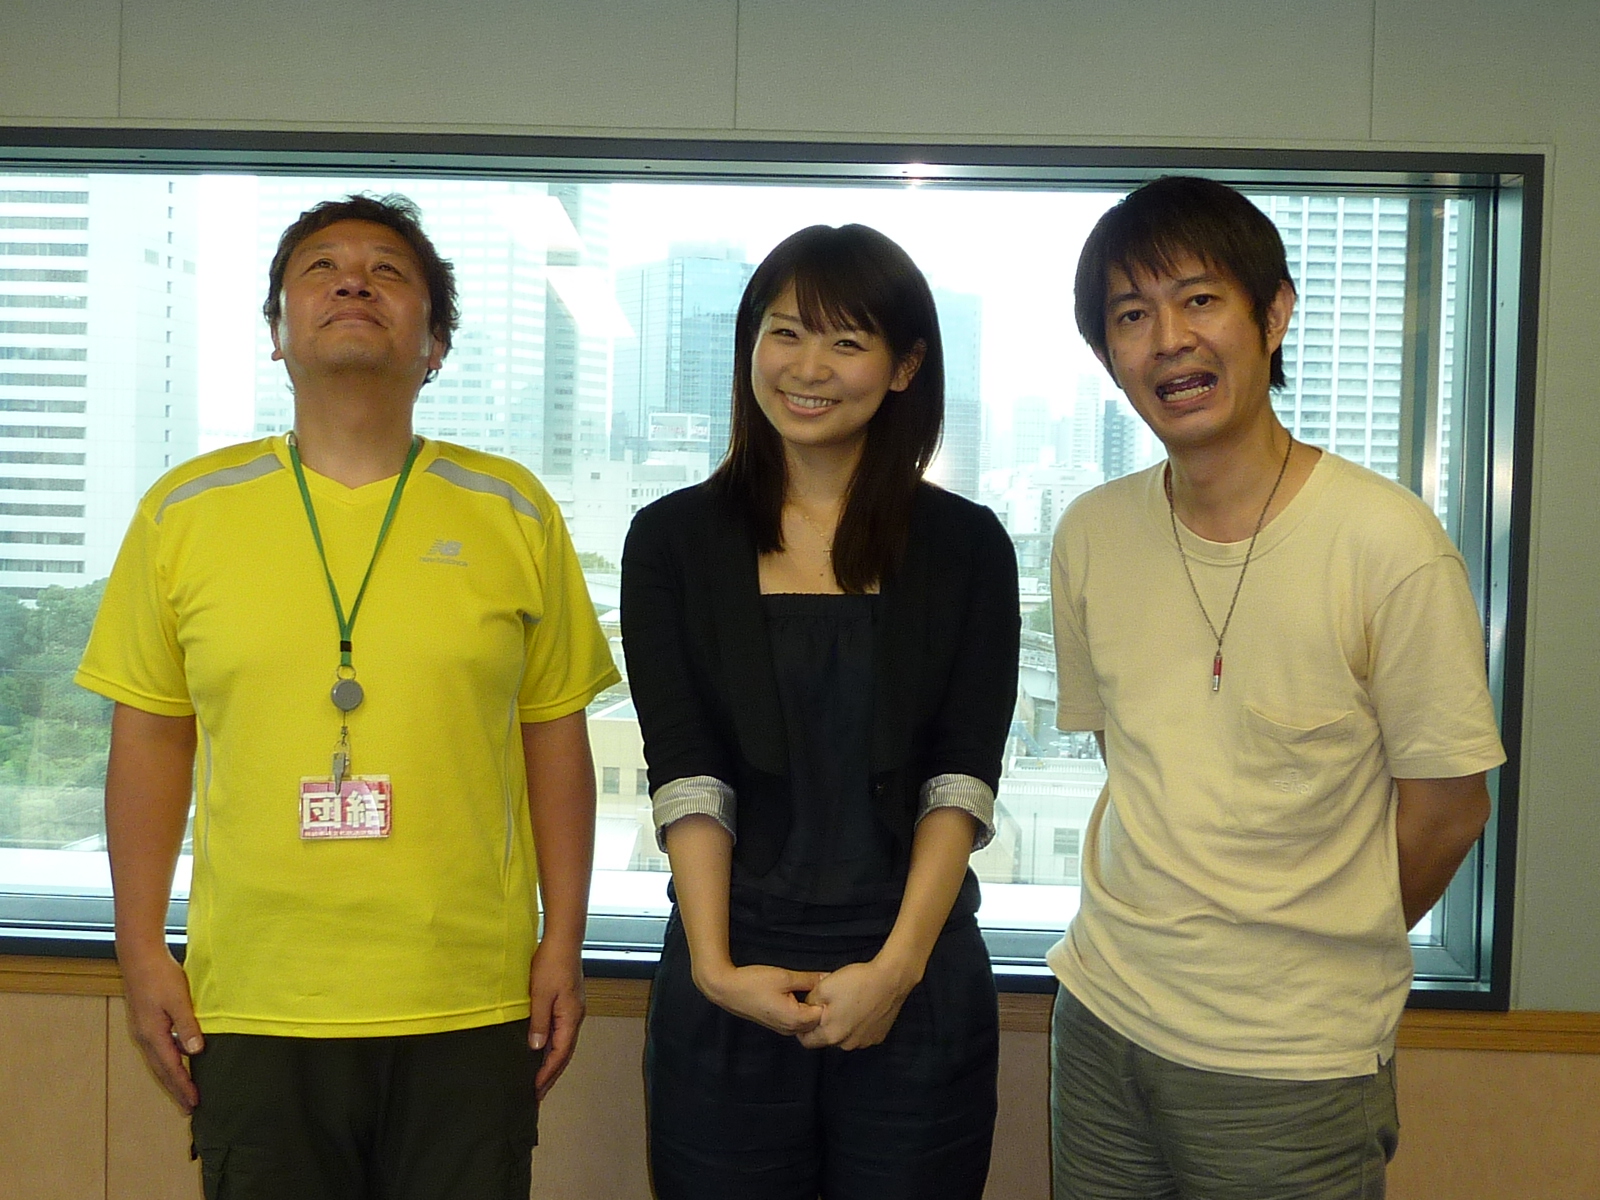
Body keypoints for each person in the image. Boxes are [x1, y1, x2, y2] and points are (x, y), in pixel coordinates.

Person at [75, 193, 620, 1199]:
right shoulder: (183, 513)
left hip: (469, 995)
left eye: (388, 272)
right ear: (276, 333)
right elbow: (149, 739)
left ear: (435, 344)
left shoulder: (513, 511)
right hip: (257, 998)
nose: (354, 282)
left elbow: (554, 737)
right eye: (321, 268)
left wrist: (565, 942)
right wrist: (140, 947)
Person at [1047, 175, 1507, 1199]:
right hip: (1102, 1016)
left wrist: (1311, 942)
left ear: (1274, 314)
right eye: (1131, 316)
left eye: (1199, 300)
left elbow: (1448, 809)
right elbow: (1133, 760)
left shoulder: (1386, 543)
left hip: (1291, 1063)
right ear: (1108, 355)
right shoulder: (1090, 533)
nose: (1168, 339)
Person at [621, 223, 1019, 1199]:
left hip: (914, 982)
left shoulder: (966, 545)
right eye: (786, 332)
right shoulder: (672, 540)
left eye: (847, 342)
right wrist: (715, 969)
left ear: (903, 367)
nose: (808, 368)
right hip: (728, 978)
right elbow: (686, 765)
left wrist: (895, 969)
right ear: (750, 342)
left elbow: (961, 772)